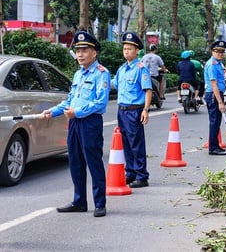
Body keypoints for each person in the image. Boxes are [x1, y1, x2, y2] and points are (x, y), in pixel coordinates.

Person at [43, 31, 111, 217]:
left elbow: (100, 102)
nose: (80, 54)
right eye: (78, 50)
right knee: (75, 162)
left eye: (84, 50)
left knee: (94, 162)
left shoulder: (101, 74)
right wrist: (53, 111)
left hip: (90, 123)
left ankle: (100, 203)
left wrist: (77, 112)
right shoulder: (77, 74)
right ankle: (79, 201)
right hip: (74, 123)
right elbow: (70, 101)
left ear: (94, 53)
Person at [112, 31, 152, 188]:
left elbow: (148, 90)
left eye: (129, 49)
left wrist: (146, 109)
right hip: (121, 110)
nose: (126, 51)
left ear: (137, 51)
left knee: (136, 143)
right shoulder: (122, 69)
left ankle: (142, 175)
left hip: (134, 110)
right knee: (126, 143)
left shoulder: (141, 68)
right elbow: (113, 84)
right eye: (124, 49)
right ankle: (130, 173)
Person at [204, 40, 226, 155]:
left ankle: (216, 145)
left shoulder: (219, 63)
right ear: (213, 51)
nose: (220, 54)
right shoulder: (212, 65)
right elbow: (214, 84)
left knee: (217, 122)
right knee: (214, 122)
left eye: (222, 52)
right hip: (214, 95)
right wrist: (220, 102)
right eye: (217, 51)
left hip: (217, 94)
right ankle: (213, 148)